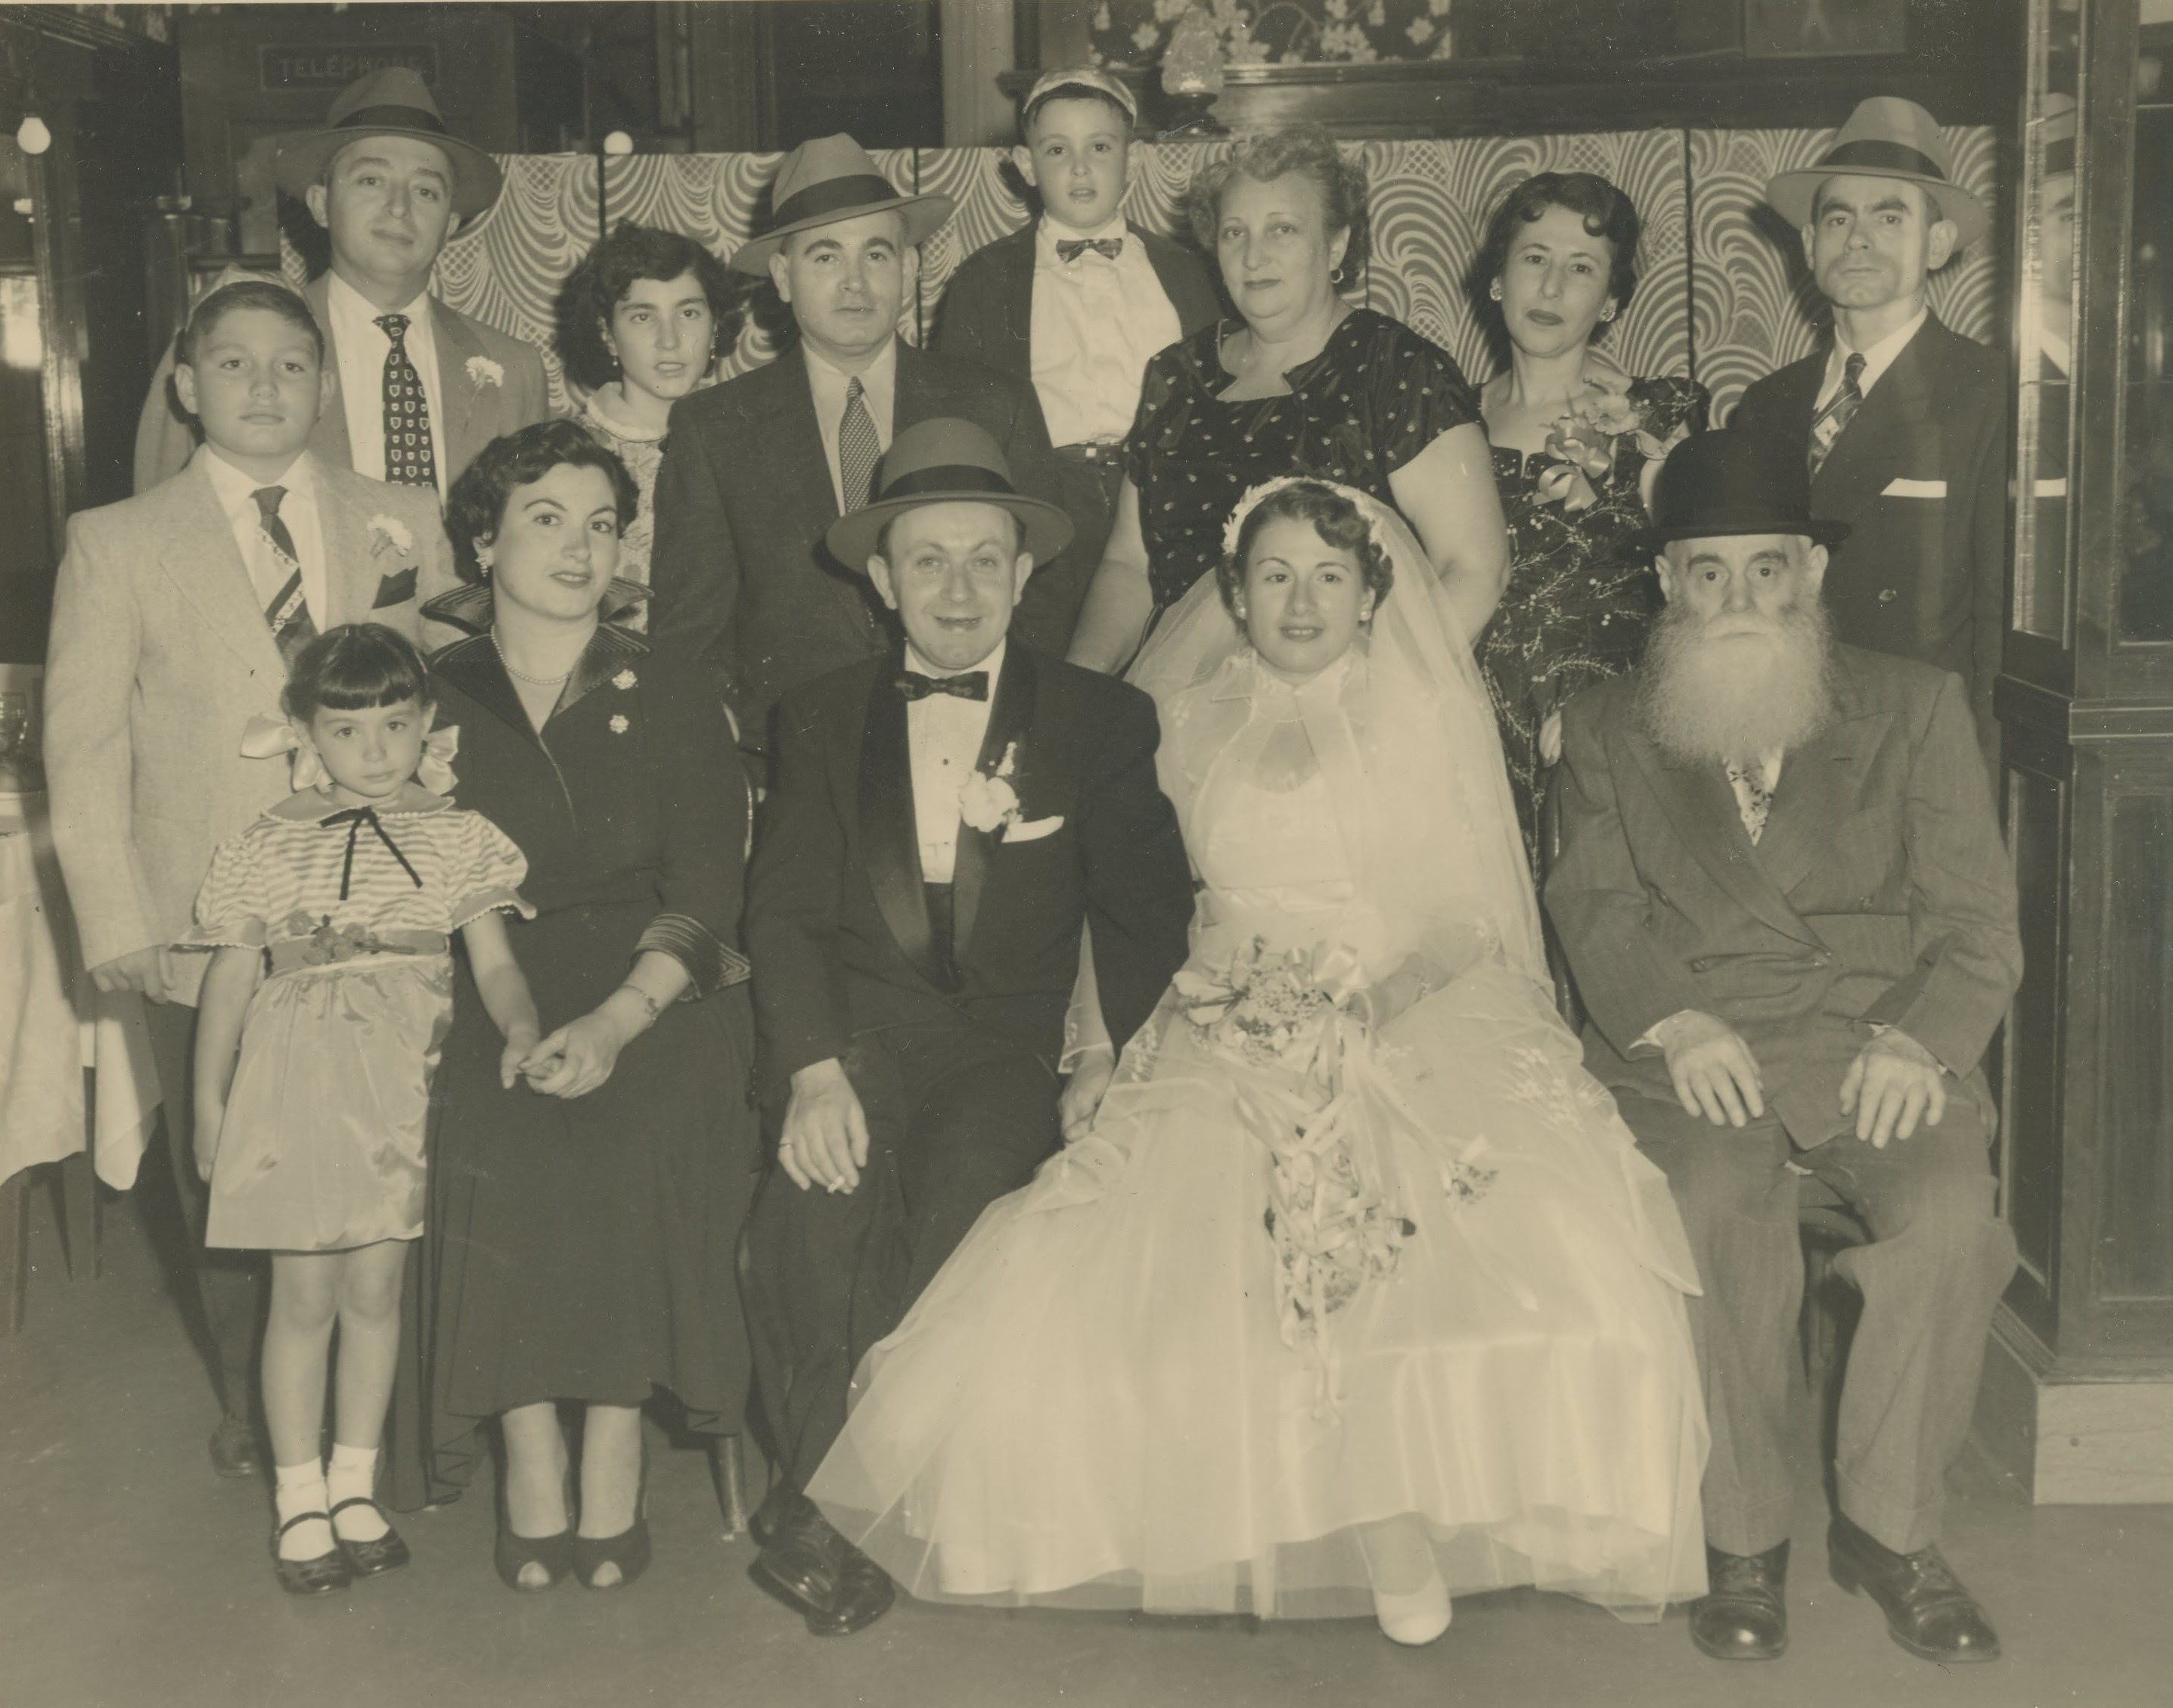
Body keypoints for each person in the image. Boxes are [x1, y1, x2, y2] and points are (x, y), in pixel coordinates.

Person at [808, 477, 1707, 1639]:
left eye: (1330, 577)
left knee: (1476, 1227)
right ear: (1233, 593)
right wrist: (1101, 1046)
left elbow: (1465, 914)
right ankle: (1282, 1515)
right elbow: (1118, 905)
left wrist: (1368, 1007)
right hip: (1218, 1000)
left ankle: (1419, 1510)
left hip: (1407, 1001)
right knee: (1173, 1246)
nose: (1300, 601)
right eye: (1274, 575)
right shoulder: (1173, 718)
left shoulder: (1422, 714)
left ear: (1372, 595)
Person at [1547, 430, 2022, 1667]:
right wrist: (1674, 1018)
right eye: (1707, 572)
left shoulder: (1913, 707)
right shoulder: (1606, 725)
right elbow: (1594, 906)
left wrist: (1918, 1042)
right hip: (1689, 1050)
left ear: (1809, 571)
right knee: (1709, 1206)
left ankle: (1887, 1531)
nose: (1739, 598)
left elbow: (1977, 927)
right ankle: (1743, 1537)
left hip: (1875, 1044)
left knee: (1947, 1220)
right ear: (1667, 583)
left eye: (1766, 568)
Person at [740, 419, 1195, 1637]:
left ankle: (826, 1513)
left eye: (984, 559)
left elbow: (1145, 912)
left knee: (957, 1211)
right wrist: (811, 1071)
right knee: (811, 1223)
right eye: (927, 560)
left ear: (1025, 571)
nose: (957, 588)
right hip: (855, 1040)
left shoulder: (1098, 719)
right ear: (882, 580)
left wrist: (1104, 1054)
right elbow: (783, 913)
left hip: (1007, 1050)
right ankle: (842, 1503)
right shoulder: (819, 714)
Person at [45, 277, 448, 1481]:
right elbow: (83, 744)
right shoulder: (118, 540)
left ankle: (386, 1417)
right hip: (202, 905)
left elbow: (443, 704)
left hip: (377, 917)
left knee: (382, 1155)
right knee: (222, 1165)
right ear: (186, 384)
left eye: (290, 364)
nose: (264, 386)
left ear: (322, 387)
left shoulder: (399, 517)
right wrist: (115, 917)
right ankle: (255, 1408)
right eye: (234, 364)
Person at [409, 420, 759, 1592]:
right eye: (546, 518)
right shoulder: (429, 696)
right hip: (487, 968)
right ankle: (526, 1444)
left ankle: (612, 1433)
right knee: (493, 1120)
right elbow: (427, 880)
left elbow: (707, 890)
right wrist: (512, 1015)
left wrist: (616, 1020)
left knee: (636, 1123)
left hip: (654, 977)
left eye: (601, 524)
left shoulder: (673, 685)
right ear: (483, 540)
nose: (578, 547)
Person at [185, 623, 538, 1595]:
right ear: (306, 732)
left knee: (375, 1293)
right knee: (302, 1297)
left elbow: (495, 963)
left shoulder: (458, 835)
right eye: (347, 730)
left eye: (394, 724)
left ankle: (353, 1482)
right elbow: (228, 980)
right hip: (293, 1087)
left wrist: (519, 1026)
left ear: (427, 724)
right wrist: (209, 1104)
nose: (375, 750)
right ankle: (298, 1493)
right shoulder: (265, 843)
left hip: (402, 1084)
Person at [647, 135, 1072, 770]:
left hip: (974, 747)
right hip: (786, 762)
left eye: (876, 253)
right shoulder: (715, 427)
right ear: (783, 277)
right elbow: (691, 638)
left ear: (910, 268)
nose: (854, 281)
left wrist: (1008, 739)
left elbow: (1043, 592)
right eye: (825, 256)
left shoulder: (995, 404)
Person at [1066, 124, 1508, 675]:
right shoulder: (1176, 376)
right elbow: (1130, 567)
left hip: (1350, 694)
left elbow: (1475, 568)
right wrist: (1077, 686)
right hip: (1185, 694)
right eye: (1234, 232)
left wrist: (1367, 696)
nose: (1254, 256)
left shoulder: (1396, 367)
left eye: (1282, 229)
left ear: (1336, 245)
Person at [1728, 97, 2006, 758]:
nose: (1857, 239)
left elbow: (1999, 628)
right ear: (1808, 244)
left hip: (1912, 750)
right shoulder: (1764, 404)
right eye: (1838, 218)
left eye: (1888, 217)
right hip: (1781, 742)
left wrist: (1981, 783)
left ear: (1936, 244)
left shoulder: (1991, 392)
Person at [134, 68, 549, 501]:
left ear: (449, 225)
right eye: (371, 181)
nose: (399, 208)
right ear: (320, 205)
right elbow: (159, 522)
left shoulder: (514, 370)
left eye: (426, 191)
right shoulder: (220, 346)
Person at [1470, 172, 1706, 869]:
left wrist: (1612, 711)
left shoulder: (1655, 422)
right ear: (1497, 280)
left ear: (1609, 302)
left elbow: (1698, 602)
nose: (1550, 288)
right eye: (1533, 258)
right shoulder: (1444, 420)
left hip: (1602, 741)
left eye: (1581, 269)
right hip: (1465, 733)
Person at [933, 67, 1222, 637]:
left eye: (1100, 147)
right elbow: (961, 417)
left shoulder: (1186, 273)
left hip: (1165, 498)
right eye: (1057, 150)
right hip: (1046, 505)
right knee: (1055, 659)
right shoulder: (985, 280)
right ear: (1025, 165)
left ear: (1133, 162)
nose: (1081, 168)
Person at [554, 221, 740, 621]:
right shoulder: (564, 456)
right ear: (608, 334)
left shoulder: (751, 443)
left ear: (715, 327)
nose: (669, 340)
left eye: (688, 313)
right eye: (642, 317)